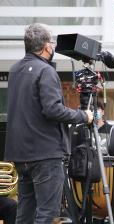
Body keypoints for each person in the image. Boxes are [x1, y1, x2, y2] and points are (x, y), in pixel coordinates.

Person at [4, 23, 93, 224]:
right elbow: (53, 110)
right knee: (47, 213)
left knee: (24, 213)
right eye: (51, 43)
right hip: (45, 154)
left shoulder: (15, 70)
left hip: (20, 154)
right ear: (46, 46)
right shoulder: (45, 71)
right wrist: (83, 116)